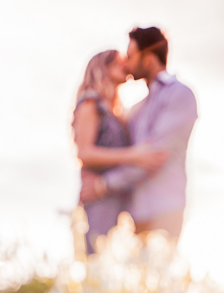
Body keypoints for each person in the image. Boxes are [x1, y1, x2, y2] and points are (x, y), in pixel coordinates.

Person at [81, 27, 198, 241]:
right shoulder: (136, 110)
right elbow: (132, 155)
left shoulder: (180, 94)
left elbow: (154, 157)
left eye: (131, 56)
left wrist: (102, 185)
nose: (126, 63)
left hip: (164, 210)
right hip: (132, 216)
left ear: (148, 58)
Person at [72, 49, 168, 253]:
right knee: (96, 261)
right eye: (118, 63)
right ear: (102, 68)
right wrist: (134, 156)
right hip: (99, 200)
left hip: (119, 198)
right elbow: (85, 153)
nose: (125, 66)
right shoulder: (91, 102)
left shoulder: (116, 110)